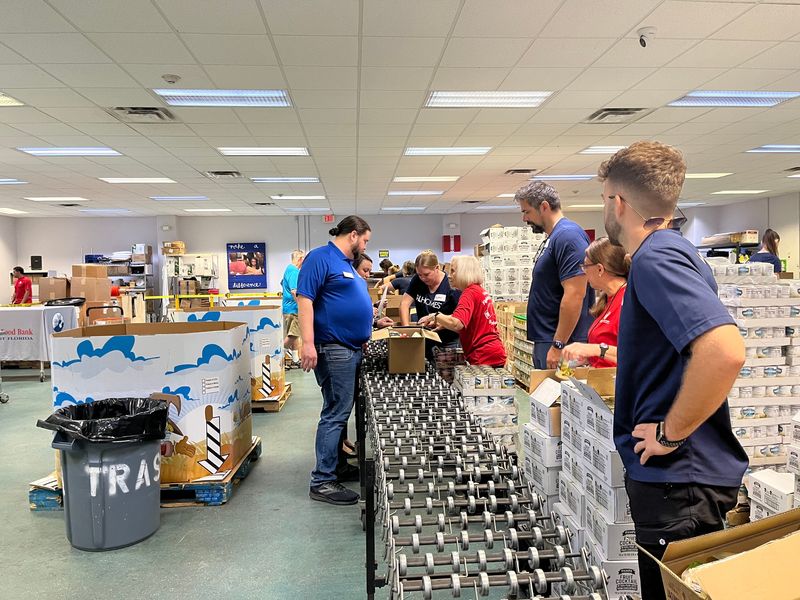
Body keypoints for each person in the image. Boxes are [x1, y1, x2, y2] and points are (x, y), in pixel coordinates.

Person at [600, 141, 746, 600]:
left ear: (618, 203)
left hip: (678, 483)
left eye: (605, 198)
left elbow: (724, 351)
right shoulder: (672, 251)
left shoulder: (656, 257)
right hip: (679, 481)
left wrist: (669, 434)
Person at [297, 216, 374, 506]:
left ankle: (338, 466)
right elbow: (305, 299)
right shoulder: (321, 257)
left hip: (350, 347)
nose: (365, 246)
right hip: (333, 348)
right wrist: (307, 343)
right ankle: (323, 480)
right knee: (335, 412)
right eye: (365, 240)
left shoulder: (345, 264)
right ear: (353, 235)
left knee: (341, 410)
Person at [516, 181, 594, 370]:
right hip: (548, 338)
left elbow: (575, 294)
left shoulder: (569, 237)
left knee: (560, 398)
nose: (524, 219)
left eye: (527, 212)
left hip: (563, 342)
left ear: (544, 207)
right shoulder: (554, 238)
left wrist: (558, 344)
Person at [418, 256, 506, 367]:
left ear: (464, 272)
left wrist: (435, 316)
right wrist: (445, 324)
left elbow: (457, 324)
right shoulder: (478, 290)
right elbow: (471, 320)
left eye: (453, 271)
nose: (449, 276)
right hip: (493, 352)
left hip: (483, 355)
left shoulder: (468, 294)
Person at [561, 238, 629, 368]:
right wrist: (586, 357)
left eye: (586, 266)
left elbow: (635, 354)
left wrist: (594, 350)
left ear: (600, 269)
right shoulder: (608, 299)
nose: (583, 271)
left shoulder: (628, 302)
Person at [400, 251, 461, 356]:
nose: (423, 278)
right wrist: (407, 329)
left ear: (436, 268)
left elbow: (459, 318)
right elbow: (404, 304)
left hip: (447, 341)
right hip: (425, 336)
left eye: (427, 274)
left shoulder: (451, 284)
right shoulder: (417, 281)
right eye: (420, 275)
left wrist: (441, 322)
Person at [281, 250, 304, 366]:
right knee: (293, 335)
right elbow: (294, 291)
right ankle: (278, 358)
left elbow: (283, 284)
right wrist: (302, 306)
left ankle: (295, 359)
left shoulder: (288, 270)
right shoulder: (294, 271)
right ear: (300, 259)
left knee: (295, 334)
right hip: (293, 309)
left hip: (288, 308)